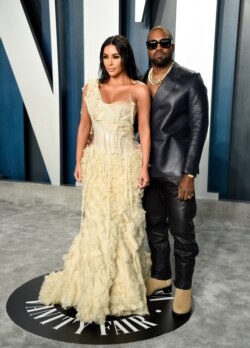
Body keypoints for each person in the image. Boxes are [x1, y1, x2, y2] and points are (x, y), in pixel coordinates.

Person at [39, 35, 151, 324]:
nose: (110, 62)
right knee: (97, 225)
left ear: (125, 57)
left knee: (123, 225)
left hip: (127, 164)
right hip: (98, 163)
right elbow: (83, 127)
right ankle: (93, 287)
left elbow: (146, 131)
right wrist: (78, 161)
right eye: (105, 57)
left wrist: (144, 168)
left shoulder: (139, 90)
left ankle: (122, 290)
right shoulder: (91, 88)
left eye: (115, 56)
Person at [142, 26, 208, 316]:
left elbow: (198, 130)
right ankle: (160, 276)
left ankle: (183, 288)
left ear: (172, 46)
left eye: (164, 43)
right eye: (153, 43)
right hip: (147, 171)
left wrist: (189, 174)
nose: (159, 47)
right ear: (147, 48)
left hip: (177, 171)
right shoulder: (139, 81)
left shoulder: (190, 81)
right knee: (154, 228)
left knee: (183, 233)